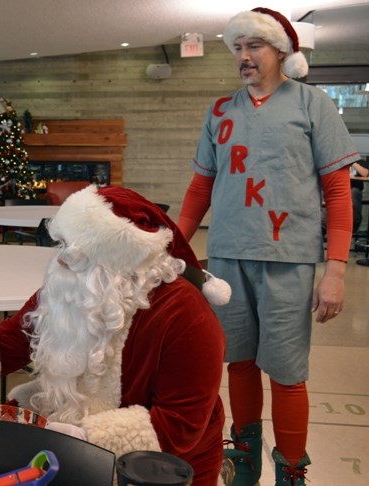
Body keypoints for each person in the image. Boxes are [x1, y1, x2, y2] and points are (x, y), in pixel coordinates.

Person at [0, 185, 229, 485]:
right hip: (68, 439)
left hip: (158, 467)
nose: (61, 260)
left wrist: (89, 442)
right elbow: (6, 343)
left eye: (78, 251)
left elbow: (179, 426)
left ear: (121, 262)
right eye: (63, 244)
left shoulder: (186, 317)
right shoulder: (70, 288)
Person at [176, 8, 361, 485]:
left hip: (289, 259)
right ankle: (243, 463)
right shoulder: (220, 110)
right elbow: (200, 187)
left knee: (285, 370)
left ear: (281, 51)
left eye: (254, 46)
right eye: (238, 47)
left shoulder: (311, 104)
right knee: (238, 361)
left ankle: (292, 472)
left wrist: (335, 270)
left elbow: (338, 193)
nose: (244, 57)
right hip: (228, 257)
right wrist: (175, 243)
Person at [349, 158, 368, 235]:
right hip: (339, 188)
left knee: (354, 193)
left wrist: (352, 162)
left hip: (354, 188)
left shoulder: (360, 162)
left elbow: (365, 173)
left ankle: (354, 225)